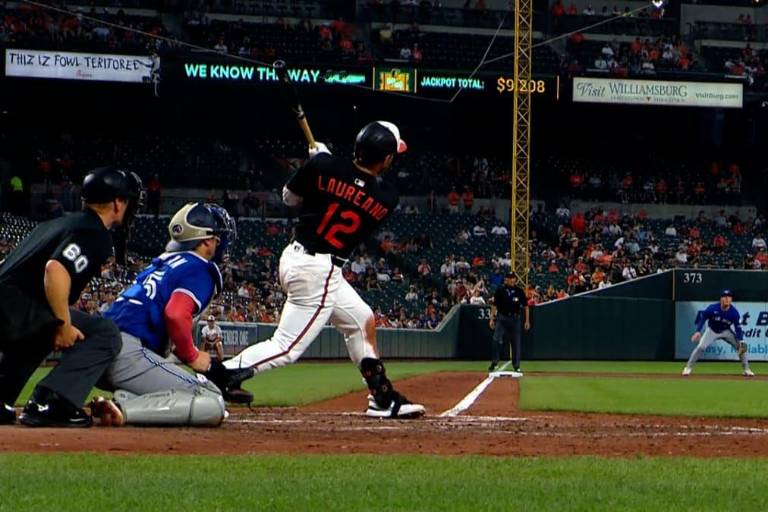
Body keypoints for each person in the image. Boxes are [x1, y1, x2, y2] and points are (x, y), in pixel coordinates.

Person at [223, 121, 425, 419]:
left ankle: (382, 398)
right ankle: (217, 375)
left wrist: (315, 165)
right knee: (286, 347)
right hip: (319, 270)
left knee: (361, 320)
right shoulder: (386, 197)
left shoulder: (324, 167)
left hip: (298, 259)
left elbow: (289, 198)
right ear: (385, 159)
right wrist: (325, 165)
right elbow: (355, 185)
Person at [0, 167, 143, 427]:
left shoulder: (57, 223)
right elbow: (56, 270)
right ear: (117, 202)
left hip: (13, 306)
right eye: (128, 200)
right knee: (104, 333)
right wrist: (63, 324)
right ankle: (53, 402)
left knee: (43, 325)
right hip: (15, 308)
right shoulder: (95, 232)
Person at [91, 203, 253, 427]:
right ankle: (121, 411)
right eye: (218, 237)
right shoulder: (199, 266)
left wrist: (211, 368)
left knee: (170, 388)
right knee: (211, 401)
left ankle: (121, 402)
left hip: (102, 349)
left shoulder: (164, 262)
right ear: (206, 240)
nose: (221, 243)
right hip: (126, 352)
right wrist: (194, 356)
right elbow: (176, 315)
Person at [682, 289, 754, 377]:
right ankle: (688, 368)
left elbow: (738, 328)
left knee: (742, 347)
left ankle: (747, 369)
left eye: (729, 297)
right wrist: (698, 331)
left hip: (726, 331)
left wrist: (741, 340)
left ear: (731, 300)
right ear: (721, 299)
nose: (727, 299)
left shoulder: (734, 313)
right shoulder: (712, 308)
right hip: (712, 330)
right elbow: (703, 318)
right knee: (701, 347)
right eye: (725, 297)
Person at [488, 273, 530, 373]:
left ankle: (516, 365)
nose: (511, 280)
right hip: (502, 318)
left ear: (515, 280)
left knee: (515, 342)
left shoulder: (519, 291)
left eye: (513, 278)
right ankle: (494, 362)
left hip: (515, 319)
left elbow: (526, 306)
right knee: (496, 340)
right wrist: (492, 318)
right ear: (506, 280)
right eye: (509, 278)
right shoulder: (500, 290)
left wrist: (527, 320)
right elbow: (494, 305)